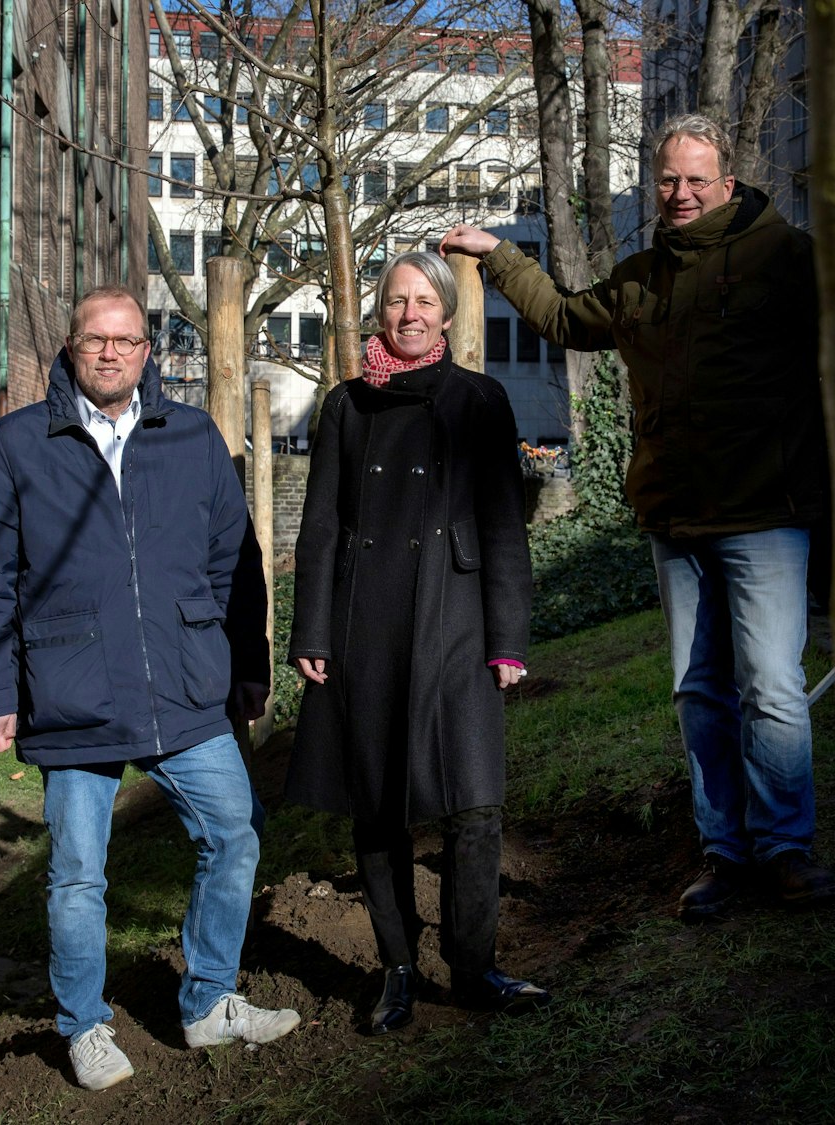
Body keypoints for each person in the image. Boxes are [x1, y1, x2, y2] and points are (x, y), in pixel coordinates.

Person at [439, 112, 835, 920]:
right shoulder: (643, 275)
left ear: (727, 180)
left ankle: (787, 850)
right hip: (676, 518)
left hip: (766, 512)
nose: (681, 192)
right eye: (668, 179)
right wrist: (502, 255)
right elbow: (565, 318)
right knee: (699, 690)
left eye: (697, 179)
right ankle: (724, 850)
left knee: (771, 686)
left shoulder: (786, 257)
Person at [0, 284, 298, 1092]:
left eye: (127, 339)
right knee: (78, 870)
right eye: (95, 339)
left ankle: (209, 997)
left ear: (150, 350)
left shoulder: (191, 437)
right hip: (71, 688)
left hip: (184, 688)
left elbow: (236, 561)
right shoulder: (17, 444)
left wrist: (248, 667)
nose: (111, 352)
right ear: (71, 349)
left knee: (236, 830)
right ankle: (84, 1025)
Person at [286, 251, 551, 1035]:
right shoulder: (346, 406)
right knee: (378, 807)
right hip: (367, 620)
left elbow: (505, 524)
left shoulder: (480, 398)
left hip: (458, 617)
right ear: (380, 311)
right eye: (396, 300)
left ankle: (473, 967)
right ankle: (398, 968)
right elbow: (322, 526)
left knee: (474, 804)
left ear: (445, 311)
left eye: (423, 300)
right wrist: (311, 628)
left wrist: (508, 636)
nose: (409, 313)